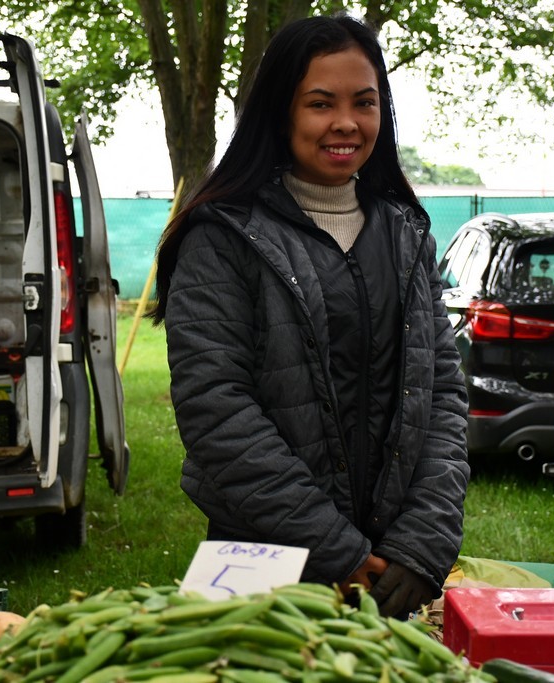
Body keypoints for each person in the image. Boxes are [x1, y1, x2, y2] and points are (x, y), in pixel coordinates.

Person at [149, 13, 469, 618]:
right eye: (320, 103)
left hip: (391, 569)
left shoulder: (407, 235)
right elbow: (215, 407)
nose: (346, 123)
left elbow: (443, 393)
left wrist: (423, 541)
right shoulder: (223, 237)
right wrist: (333, 548)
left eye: (364, 103)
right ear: (281, 112)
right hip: (257, 565)